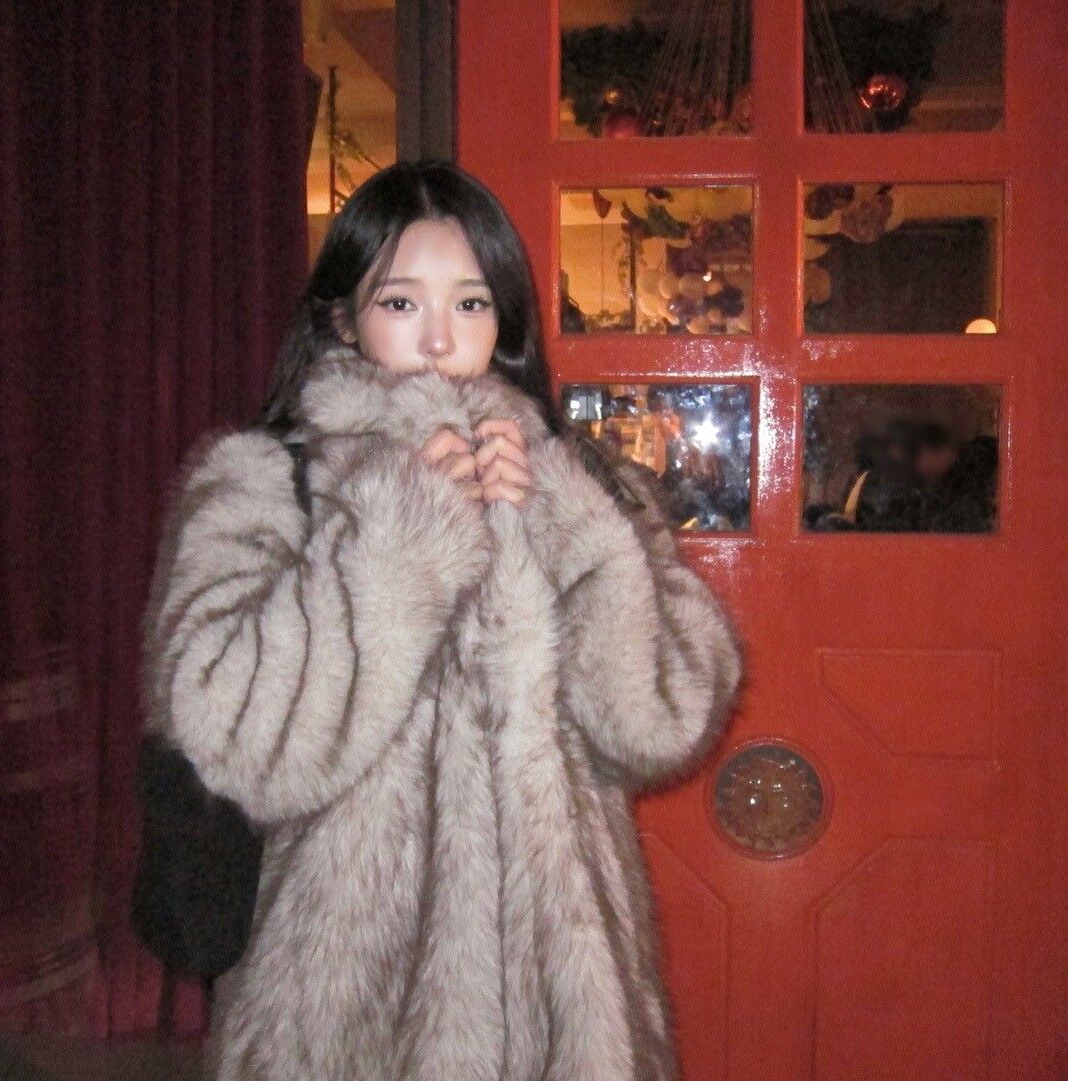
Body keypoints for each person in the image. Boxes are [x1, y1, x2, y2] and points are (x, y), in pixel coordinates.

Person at [143, 161, 742, 1081]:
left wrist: (574, 527)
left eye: (469, 303)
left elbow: (664, 719)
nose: (437, 336)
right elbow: (227, 735)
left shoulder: (582, 480)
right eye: (400, 302)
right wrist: (397, 534)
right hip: (342, 1019)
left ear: (504, 320)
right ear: (343, 318)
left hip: (567, 1017)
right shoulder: (264, 482)